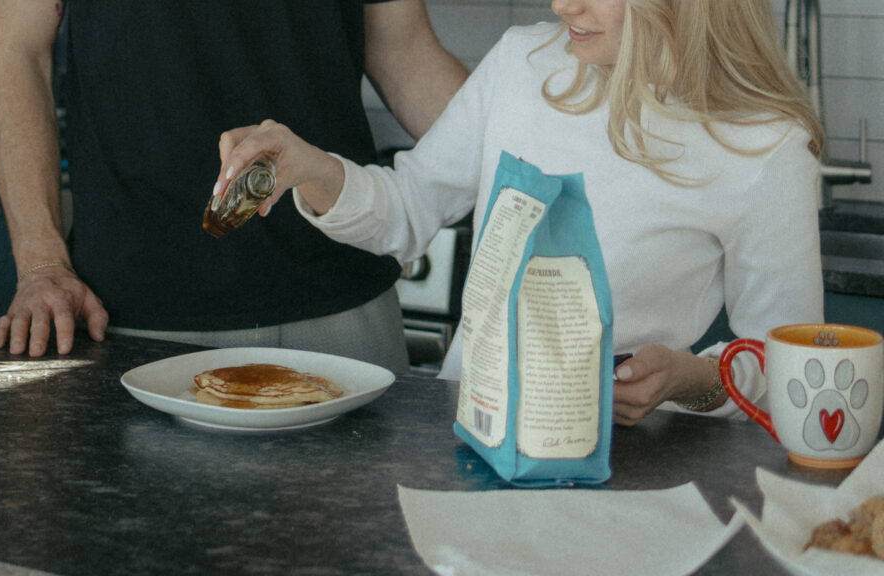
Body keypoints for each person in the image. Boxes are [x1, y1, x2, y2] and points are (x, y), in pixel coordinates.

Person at [213, 0, 826, 425]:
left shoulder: (766, 146)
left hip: (634, 461)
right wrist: (314, 168)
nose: (561, 7)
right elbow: (408, 208)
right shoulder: (522, 65)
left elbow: (790, 367)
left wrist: (689, 380)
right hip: (471, 436)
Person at [0, 0, 468, 374]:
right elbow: (16, 52)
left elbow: (402, 48)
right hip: (137, 315)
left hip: (344, 301)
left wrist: (532, 155)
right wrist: (41, 263)